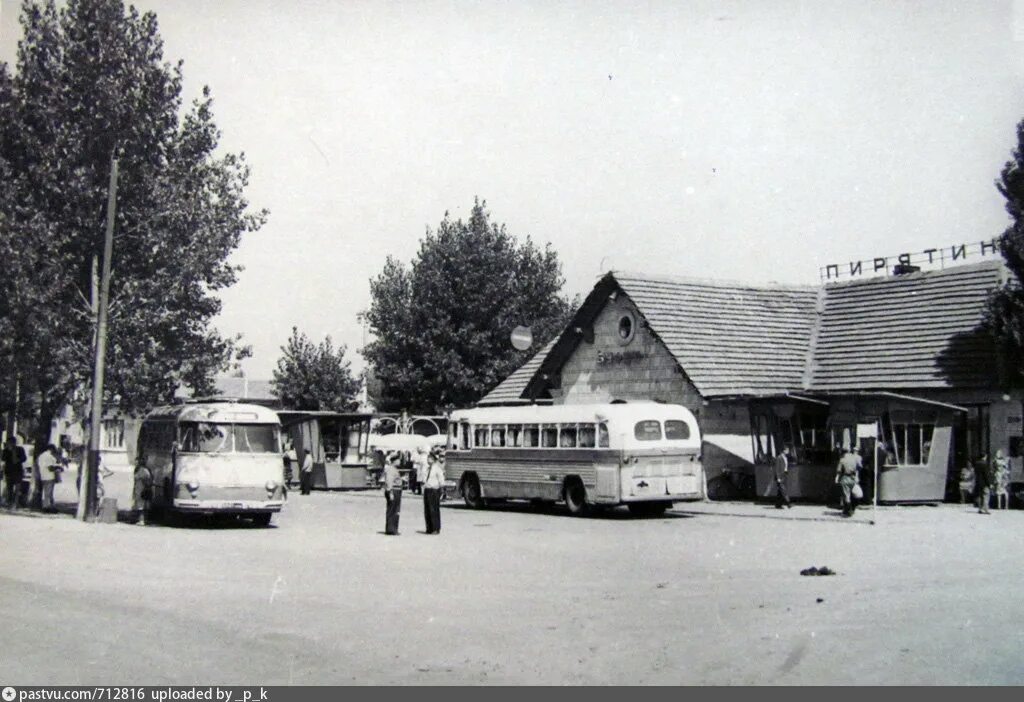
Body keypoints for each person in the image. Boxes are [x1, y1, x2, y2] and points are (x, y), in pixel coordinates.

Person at [422, 446, 445, 534]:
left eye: (430, 458)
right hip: (427, 490)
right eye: (428, 458)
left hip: (434, 490)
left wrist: (441, 491)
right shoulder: (427, 469)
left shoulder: (437, 469)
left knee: (434, 510)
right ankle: (429, 528)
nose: (428, 460)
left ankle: (436, 528)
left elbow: (441, 480)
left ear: (434, 459)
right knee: (427, 510)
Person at [835, 446, 861, 517]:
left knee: (846, 495)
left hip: (845, 478)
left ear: (843, 452)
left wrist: (837, 478)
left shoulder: (842, 460)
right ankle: (852, 509)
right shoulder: (854, 459)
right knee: (854, 494)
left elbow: (839, 471)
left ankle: (848, 511)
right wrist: (857, 476)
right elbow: (859, 467)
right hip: (853, 478)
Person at [2, 436, 27, 509]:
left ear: (14, 443)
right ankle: (9, 502)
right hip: (9, 472)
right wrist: (8, 450)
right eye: (9, 442)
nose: (10, 444)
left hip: (18, 471)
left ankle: (15, 503)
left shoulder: (20, 449)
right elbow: (3, 458)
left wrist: (17, 457)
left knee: (17, 488)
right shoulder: (5, 450)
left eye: (11, 442)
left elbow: (24, 458)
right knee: (9, 489)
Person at [382, 451, 403, 535]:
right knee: (393, 510)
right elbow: (389, 482)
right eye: (399, 460)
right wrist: (390, 492)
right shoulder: (391, 469)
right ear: (395, 461)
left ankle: (392, 528)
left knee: (394, 510)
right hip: (394, 491)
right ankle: (391, 529)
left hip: (395, 490)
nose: (400, 462)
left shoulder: (393, 469)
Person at [36, 443, 60, 512]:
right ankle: (47, 507)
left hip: (43, 475)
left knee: (47, 492)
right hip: (49, 476)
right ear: (51, 449)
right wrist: (58, 467)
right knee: (48, 493)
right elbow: (50, 468)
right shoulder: (49, 456)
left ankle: (50, 506)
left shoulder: (41, 456)